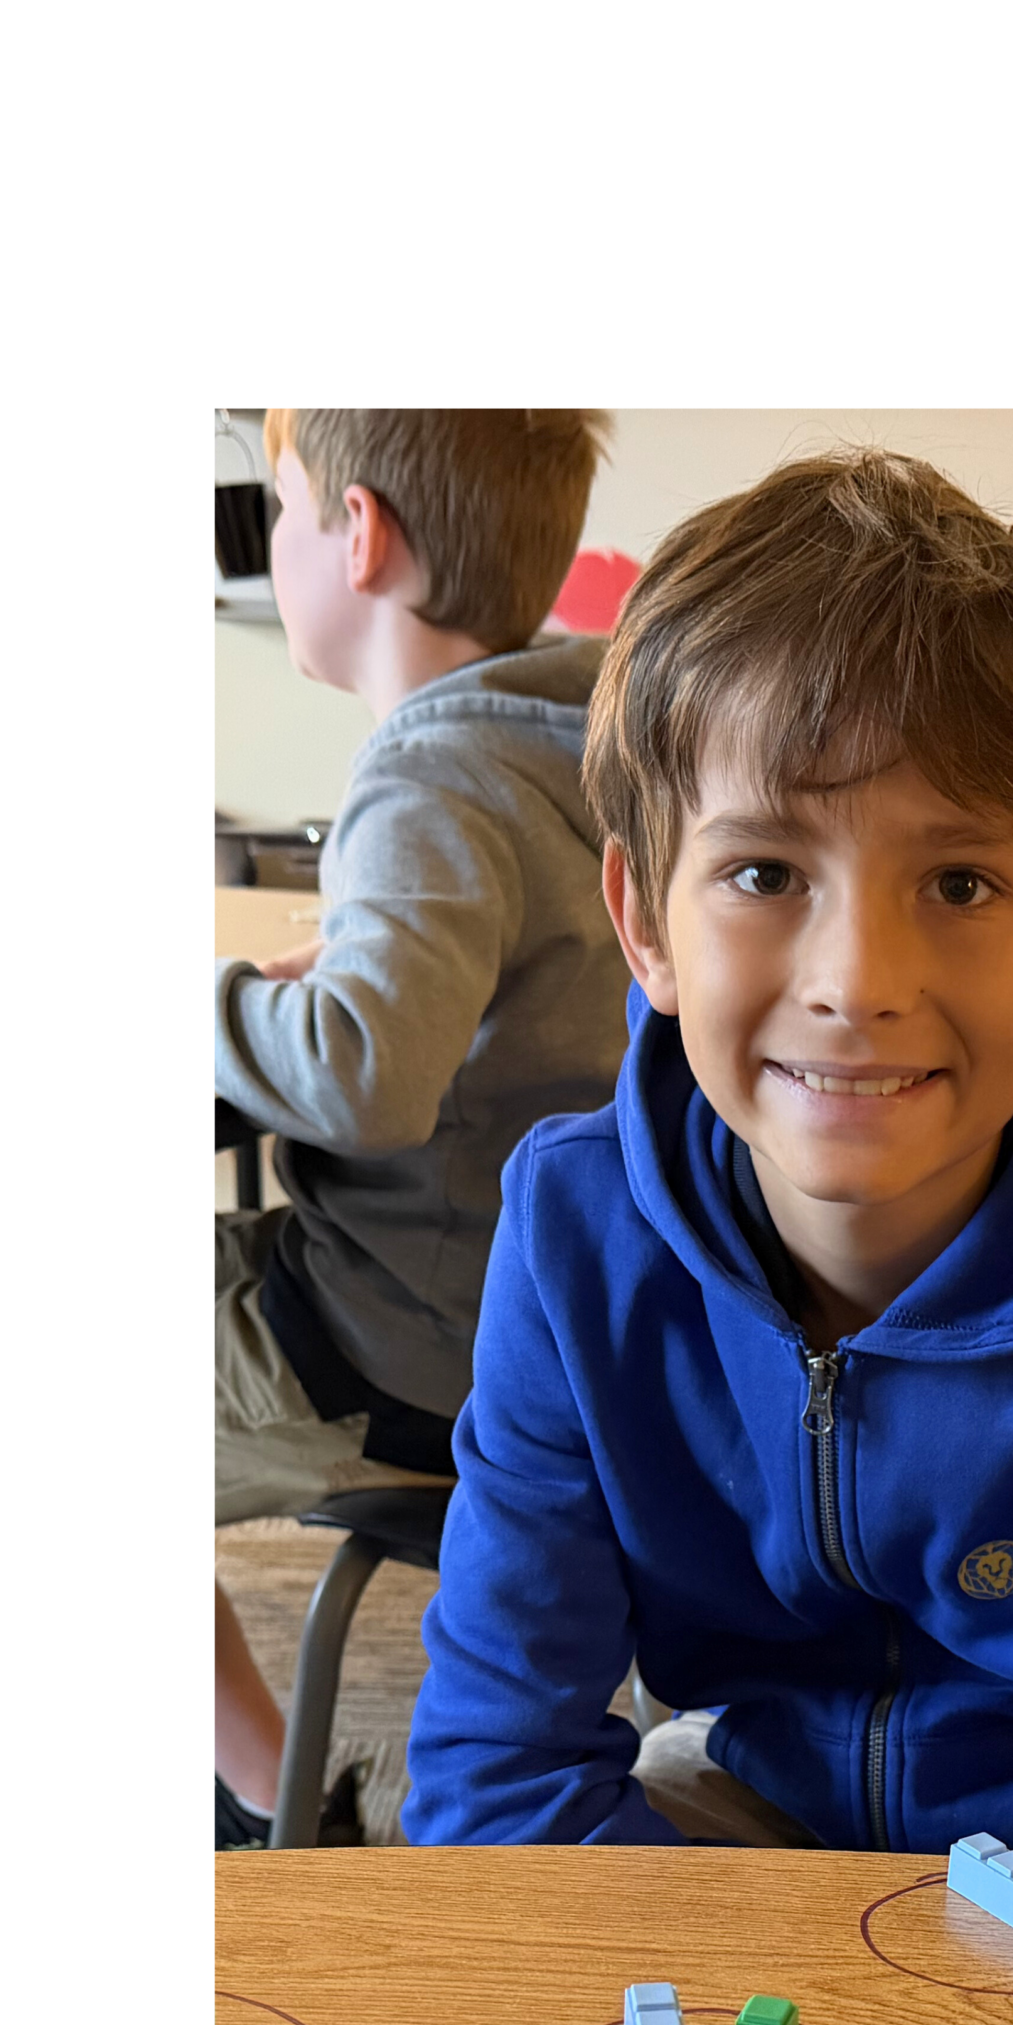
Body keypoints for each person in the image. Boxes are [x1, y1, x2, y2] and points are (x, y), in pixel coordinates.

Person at [402, 448, 1013, 1876]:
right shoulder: (575, 1232)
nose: (859, 978)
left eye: (960, 883)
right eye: (765, 873)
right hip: (750, 1800)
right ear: (645, 922)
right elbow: (492, 1790)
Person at [215, 409, 631, 1847]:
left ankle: (270, 1794)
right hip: (539, 1337)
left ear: (362, 534)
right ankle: (262, 1780)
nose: (271, 546)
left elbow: (366, 1083)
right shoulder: (583, 746)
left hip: (399, 1350)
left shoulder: (430, 770)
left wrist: (206, 1004)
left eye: (281, 507)